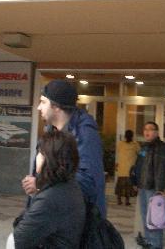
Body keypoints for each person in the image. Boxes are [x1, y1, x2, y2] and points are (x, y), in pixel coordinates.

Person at [21, 79, 106, 218]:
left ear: (56, 106)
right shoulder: (51, 130)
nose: (38, 107)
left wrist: (41, 183)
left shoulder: (85, 134)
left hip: (75, 224)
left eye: (43, 102)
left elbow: (88, 182)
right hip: (52, 214)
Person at [8, 130, 86, 249]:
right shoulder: (68, 186)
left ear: (49, 158)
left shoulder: (51, 198)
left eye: (40, 152)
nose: (37, 157)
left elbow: (18, 240)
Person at [133, 121, 165, 249]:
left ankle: (156, 244)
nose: (147, 131)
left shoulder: (160, 147)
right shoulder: (145, 147)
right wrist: (135, 182)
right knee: (146, 216)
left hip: (153, 187)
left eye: (150, 129)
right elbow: (139, 166)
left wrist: (160, 188)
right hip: (143, 186)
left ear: (156, 132)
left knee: (155, 218)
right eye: (145, 129)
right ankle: (149, 241)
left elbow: (161, 168)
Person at [115, 129, 140, 206]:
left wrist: (117, 164)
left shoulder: (120, 144)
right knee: (129, 185)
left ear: (125, 136)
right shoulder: (135, 145)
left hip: (121, 167)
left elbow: (118, 153)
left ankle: (119, 200)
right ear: (132, 136)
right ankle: (127, 201)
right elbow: (141, 153)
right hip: (130, 169)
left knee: (120, 185)